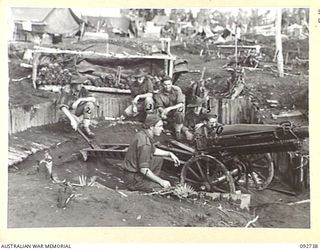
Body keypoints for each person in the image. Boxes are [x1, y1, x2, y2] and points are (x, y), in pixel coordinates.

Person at [122, 114, 180, 192]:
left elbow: (153, 150)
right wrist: (161, 181)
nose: (162, 129)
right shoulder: (145, 143)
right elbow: (143, 169)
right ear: (151, 127)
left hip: (132, 174)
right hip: (133, 180)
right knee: (162, 188)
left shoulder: (143, 134)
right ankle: (142, 184)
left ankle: (149, 180)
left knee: (158, 158)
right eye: (159, 126)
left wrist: (169, 153)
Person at [154, 75, 189, 140]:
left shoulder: (177, 90)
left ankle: (177, 131)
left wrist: (169, 108)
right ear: (162, 84)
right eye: (165, 85)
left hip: (176, 110)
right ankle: (163, 128)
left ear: (172, 83)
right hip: (166, 113)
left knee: (179, 112)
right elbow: (159, 106)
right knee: (156, 113)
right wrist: (163, 112)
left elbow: (180, 103)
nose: (167, 86)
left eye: (169, 84)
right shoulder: (159, 93)